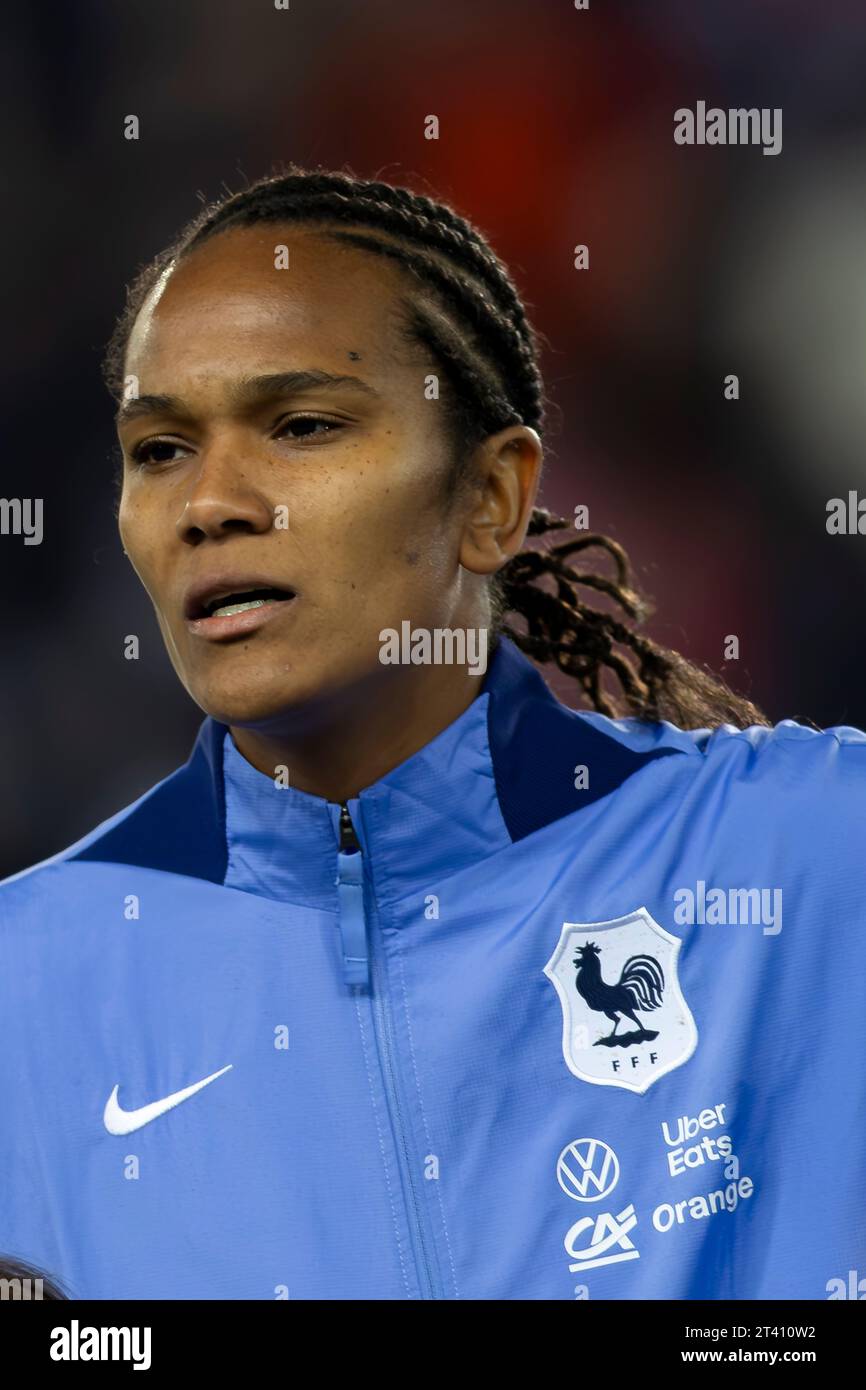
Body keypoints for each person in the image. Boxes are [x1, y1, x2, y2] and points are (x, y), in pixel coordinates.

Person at [0, 165, 863, 1300]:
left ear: (491, 498)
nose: (208, 502)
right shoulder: (28, 984)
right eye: (160, 449)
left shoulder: (807, 857)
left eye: (301, 424)